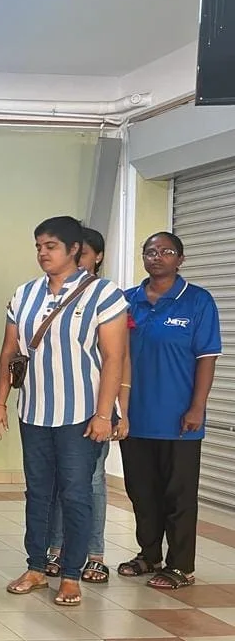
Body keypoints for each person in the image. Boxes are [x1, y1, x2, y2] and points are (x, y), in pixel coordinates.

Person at [0, 217, 126, 608]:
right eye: (38, 246)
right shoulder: (24, 294)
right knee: (37, 492)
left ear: (74, 249)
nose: (42, 253)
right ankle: (36, 567)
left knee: (76, 493)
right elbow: (9, 352)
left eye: (50, 246)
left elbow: (114, 358)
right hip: (34, 412)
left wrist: (104, 414)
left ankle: (70, 576)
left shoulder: (104, 293)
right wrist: (0, 403)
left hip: (81, 413)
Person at [118, 231, 221, 590]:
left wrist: (197, 407)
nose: (157, 257)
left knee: (178, 496)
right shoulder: (127, 300)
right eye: (150, 251)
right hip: (134, 417)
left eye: (166, 251)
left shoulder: (197, 301)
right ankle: (149, 555)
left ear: (180, 259)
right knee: (141, 492)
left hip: (179, 419)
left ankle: (181, 565)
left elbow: (207, 358)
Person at [45, 228, 125, 583]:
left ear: (97, 257)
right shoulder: (46, 296)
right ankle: (55, 550)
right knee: (57, 482)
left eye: (83, 256)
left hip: (95, 409)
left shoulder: (107, 297)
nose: (75, 263)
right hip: (54, 409)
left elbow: (120, 359)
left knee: (89, 481)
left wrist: (116, 411)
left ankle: (94, 555)